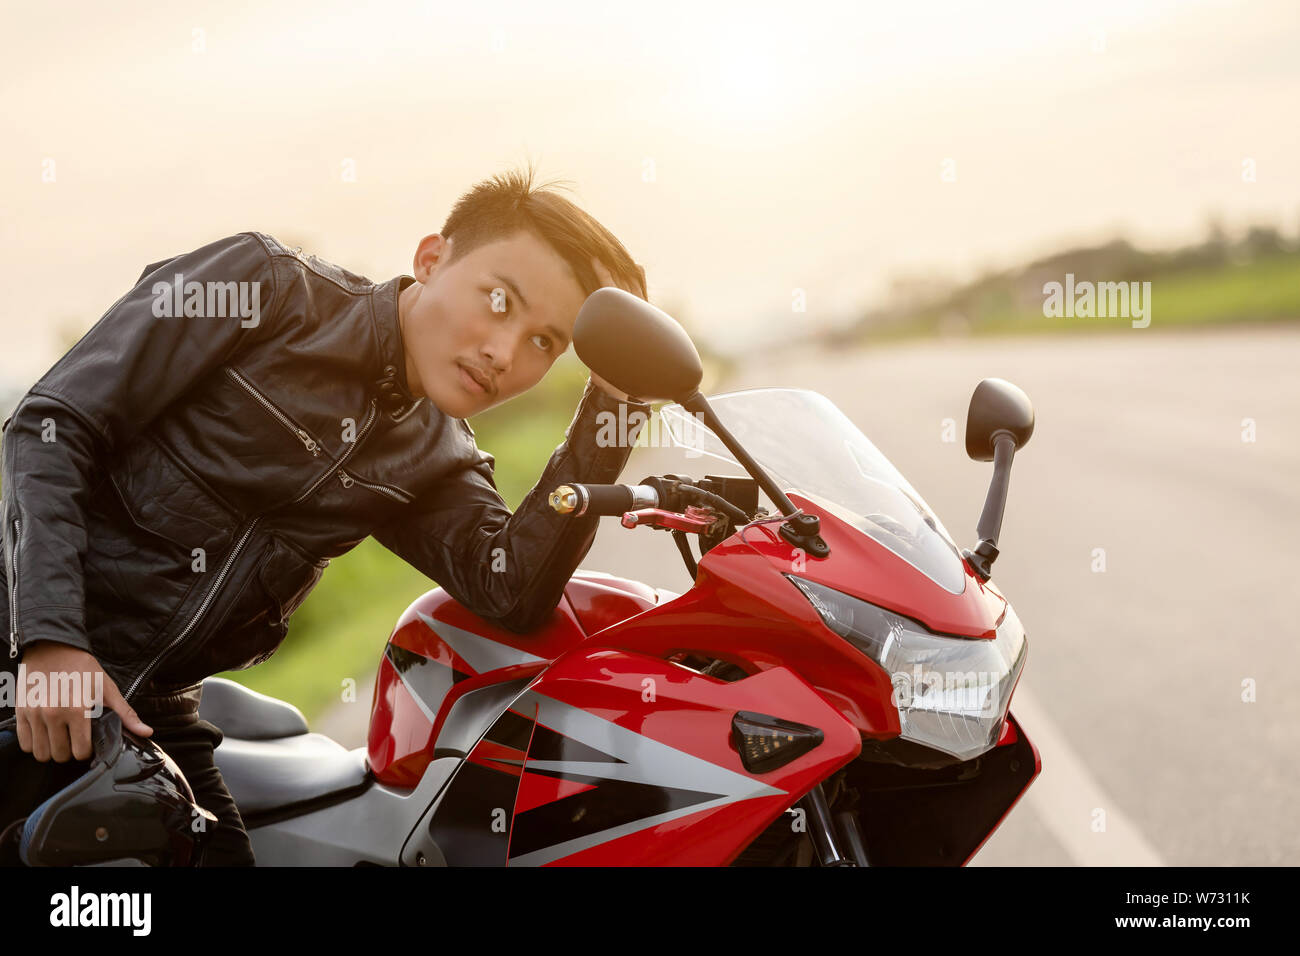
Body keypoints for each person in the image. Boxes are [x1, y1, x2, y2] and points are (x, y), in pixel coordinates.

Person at [0, 164, 654, 865]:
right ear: (431, 258)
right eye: (499, 301)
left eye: (545, 343)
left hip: (154, 712)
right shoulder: (262, 285)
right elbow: (53, 426)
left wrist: (618, 400)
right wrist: (51, 641)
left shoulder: (435, 457)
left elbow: (510, 588)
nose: (505, 352)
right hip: (27, 651)